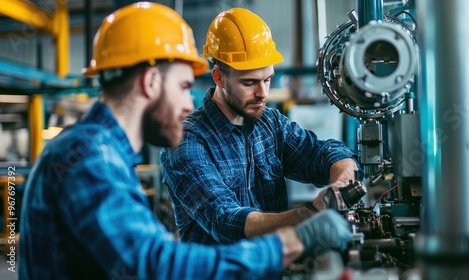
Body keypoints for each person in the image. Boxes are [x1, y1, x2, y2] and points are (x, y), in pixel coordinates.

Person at [18, 2, 352, 279]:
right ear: (150, 82)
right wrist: (296, 239)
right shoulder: (90, 158)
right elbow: (154, 264)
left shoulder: (103, 152)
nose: (190, 104)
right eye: (181, 87)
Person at [161, 7, 361, 245]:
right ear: (219, 77)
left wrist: (341, 183)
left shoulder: (269, 124)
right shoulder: (186, 141)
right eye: (249, 83)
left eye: (267, 79)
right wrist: (306, 217)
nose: (263, 93)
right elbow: (225, 221)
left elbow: (323, 153)